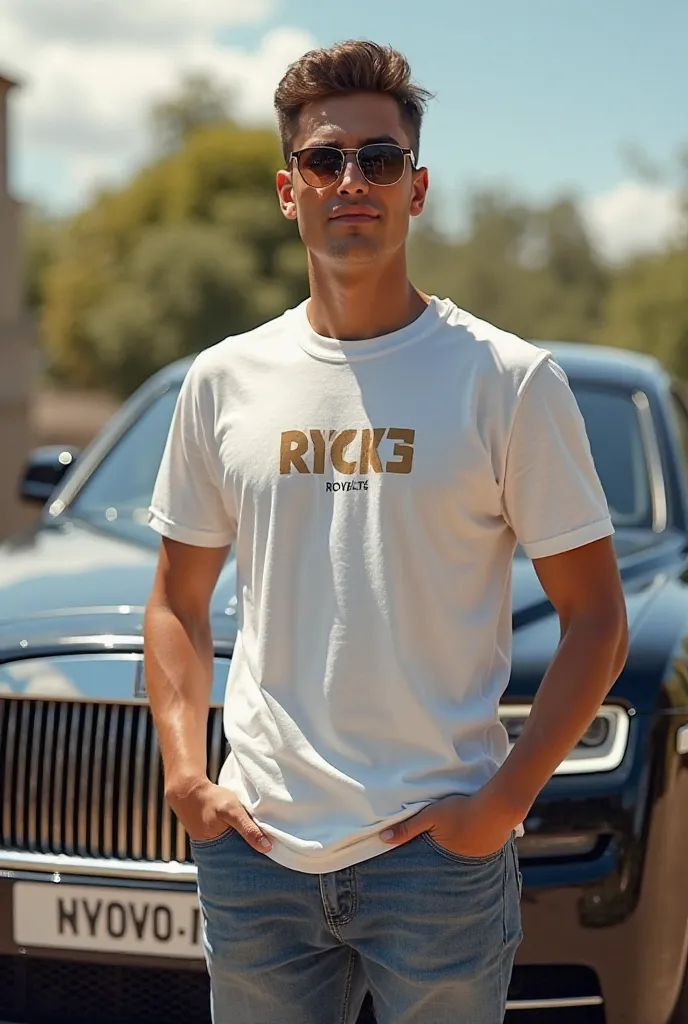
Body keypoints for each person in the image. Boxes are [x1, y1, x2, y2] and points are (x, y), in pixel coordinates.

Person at [143, 39, 629, 1024]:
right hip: (259, 855)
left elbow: (597, 621)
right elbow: (176, 601)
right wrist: (186, 774)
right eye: (326, 160)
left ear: (417, 187)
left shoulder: (505, 381)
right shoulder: (223, 381)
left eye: (379, 158)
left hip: (434, 864)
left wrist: (496, 807)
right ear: (290, 190)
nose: (351, 179)